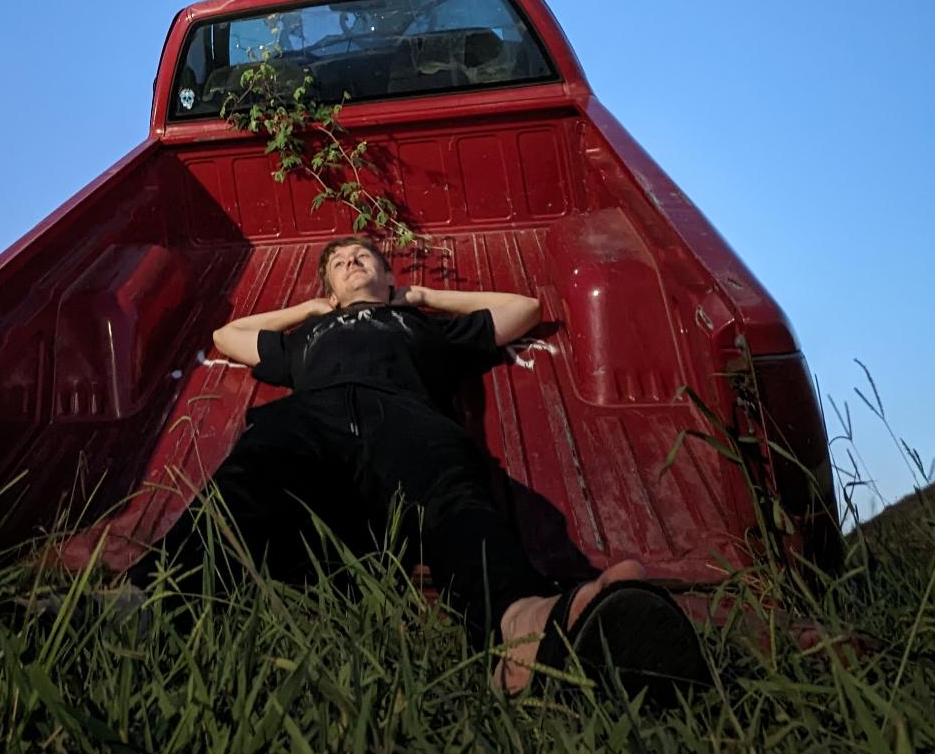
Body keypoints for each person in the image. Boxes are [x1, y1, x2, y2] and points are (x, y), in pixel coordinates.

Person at [133, 235, 706, 697]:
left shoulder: (424, 326)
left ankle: (525, 627)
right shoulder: (307, 335)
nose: (351, 261)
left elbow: (524, 310)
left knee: (456, 500)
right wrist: (311, 309)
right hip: (313, 420)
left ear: (389, 279)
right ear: (328, 289)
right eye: (338, 262)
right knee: (248, 476)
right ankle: (144, 604)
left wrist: (424, 296)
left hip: (405, 421)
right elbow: (227, 336)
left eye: (363, 257)